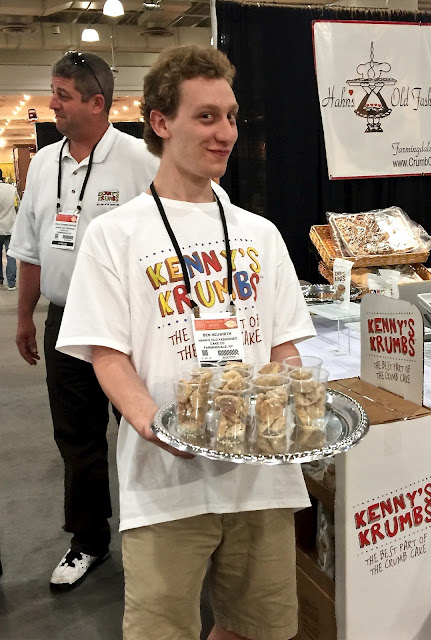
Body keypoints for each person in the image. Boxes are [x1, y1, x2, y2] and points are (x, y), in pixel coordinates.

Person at [56, 45, 315, 639]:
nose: (226, 132)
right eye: (206, 116)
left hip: (260, 481)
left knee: (258, 629)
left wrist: (287, 408)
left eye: (231, 116)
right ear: (161, 121)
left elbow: (283, 345)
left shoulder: (260, 233)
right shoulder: (115, 235)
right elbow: (107, 354)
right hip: (165, 486)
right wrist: (156, 426)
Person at [6, 51, 164, 591]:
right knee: (76, 438)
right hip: (66, 321)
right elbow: (30, 249)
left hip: (131, 324)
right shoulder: (43, 164)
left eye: (63, 95)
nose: (52, 104)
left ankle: (159, 535)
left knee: (145, 431)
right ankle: (89, 541)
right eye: (53, 93)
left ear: (98, 103)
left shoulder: (141, 160)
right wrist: (25, 317)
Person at [0, 168, 18, 291]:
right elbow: (18, 205)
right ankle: (11, 283)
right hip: (11, 227)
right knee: (11, 255)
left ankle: (0, 280)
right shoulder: (12, 189)